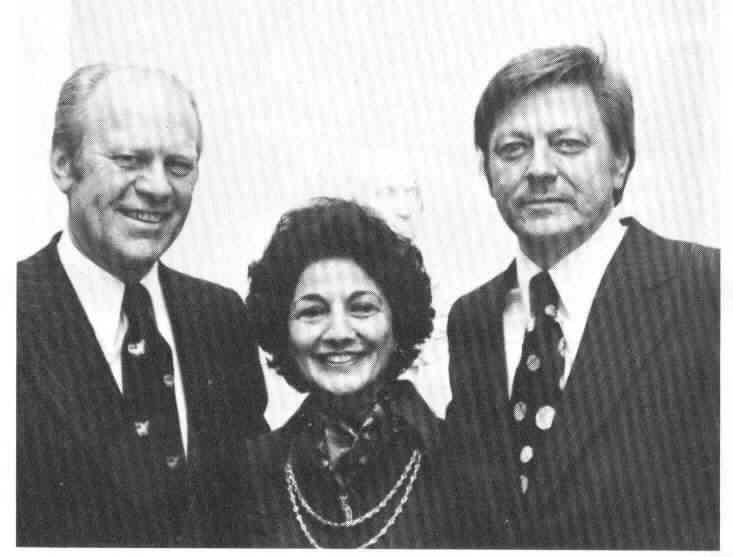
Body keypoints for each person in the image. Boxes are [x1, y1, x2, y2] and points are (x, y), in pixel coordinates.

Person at [445, 45, 719, 549]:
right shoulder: (472, 320)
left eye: (567, 144)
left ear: (620, 163)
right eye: (513, 149)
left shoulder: (708, 290)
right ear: (486, 171)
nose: (540, 169)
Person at [17, 64, 269, 546]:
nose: (157, 187)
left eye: (179, 165)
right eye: (130, 159)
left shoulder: (220, 317)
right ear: (62, 165)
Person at [218, 198, 457, 547]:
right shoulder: (253, 471)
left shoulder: (460, 459)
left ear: (398, 323)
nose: (339, 332)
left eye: (362, 308)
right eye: (313, 312)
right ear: (283, 331)